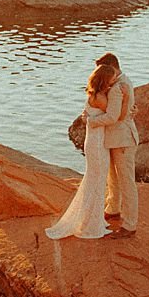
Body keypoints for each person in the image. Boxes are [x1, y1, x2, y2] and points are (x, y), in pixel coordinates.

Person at [45, 61, 119, 240]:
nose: (113, 81)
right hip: (98, 142)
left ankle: (89, 219)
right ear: (104, 80)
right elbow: (113, 117)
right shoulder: (102, 98)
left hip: (92, 141)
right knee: (98, 180)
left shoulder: (91, 95)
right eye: (111, 79)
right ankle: (91, 224)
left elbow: (89, 115)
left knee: (93, 179)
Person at [90, 52, 138, 236]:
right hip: (114, 139)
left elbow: (114, 117)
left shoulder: (120, 87)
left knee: (127, 182)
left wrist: (91, 121)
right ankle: (113, 209)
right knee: (113, 177)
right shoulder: (122, 81)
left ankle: (129, 225)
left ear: (112, 68)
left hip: (123, 139)